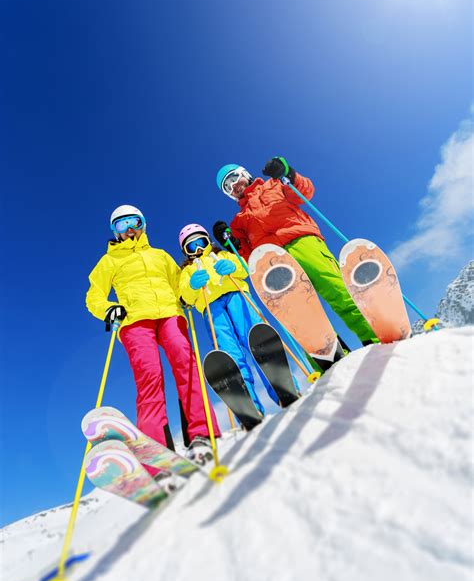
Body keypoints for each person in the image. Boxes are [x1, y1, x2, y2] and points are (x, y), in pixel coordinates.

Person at [85, 205, 220, 465]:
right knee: (149, 377)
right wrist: (109, 309)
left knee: (186, 364)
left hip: (170, 312)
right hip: (135, 321)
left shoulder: (160, 256)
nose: (129, 230)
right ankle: (159, 448)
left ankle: (202, 434)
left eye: (134, 222)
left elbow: (180, 283)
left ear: (143, 224)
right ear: (115, 232)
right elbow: (94, 296)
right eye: (121, 226)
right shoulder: (109, 261)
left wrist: (189, 289)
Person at [213, 159, 378, 347]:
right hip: (273, 262)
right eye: (227, 187)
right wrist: (231, 243)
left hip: (302, 240)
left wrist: (287, 173)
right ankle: (328, 353)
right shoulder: (238, 222)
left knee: (336, 288)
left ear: (244, 174)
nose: (234, 186)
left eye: (233, 178)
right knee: (298, 310)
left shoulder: (273, 185)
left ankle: (373, 334)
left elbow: (305, 192)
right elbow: (248, 257)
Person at [178, 223, 279, 415]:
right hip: (211, 307)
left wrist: (233, 266)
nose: (198, 249)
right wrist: (192, 285)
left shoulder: (223, 255)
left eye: (201, 242)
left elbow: (244, 269)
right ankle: (250, 405)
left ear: (208, 241)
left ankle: (280, 386)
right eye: (192, 246)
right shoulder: (187, 271)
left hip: (236, 295)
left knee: (255, 337)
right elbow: (185, 297)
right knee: (230, 352)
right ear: (186, 251)